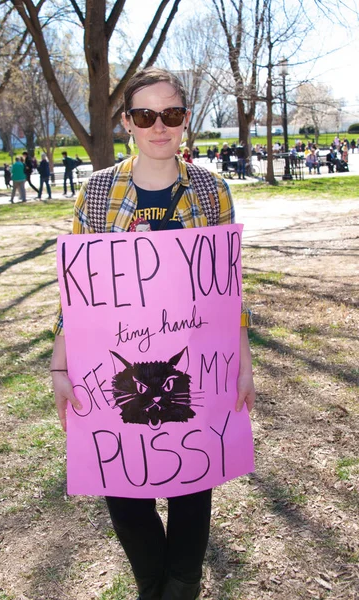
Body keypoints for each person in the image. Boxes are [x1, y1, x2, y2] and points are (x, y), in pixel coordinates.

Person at [50, 67, 255, 600]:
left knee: (194, 474)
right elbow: (76, 294)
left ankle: (181, 584)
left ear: (185, 121)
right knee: (121, 477)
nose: (159, 126)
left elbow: (229, 290)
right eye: (146, 115)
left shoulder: (212, 193)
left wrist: (244, 361)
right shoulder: (98, 193)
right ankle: (153, 584)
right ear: (127, 123)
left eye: (172, 114)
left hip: (192, 366)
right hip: (118, 369)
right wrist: (59, 365)